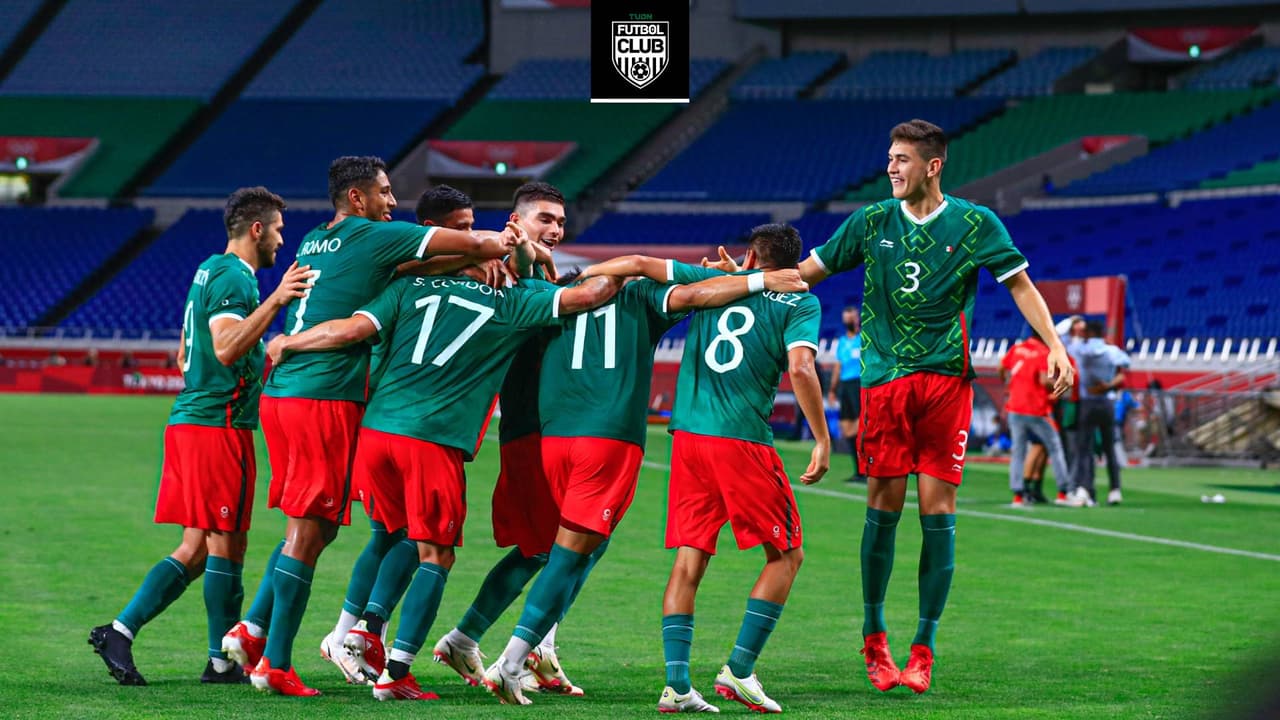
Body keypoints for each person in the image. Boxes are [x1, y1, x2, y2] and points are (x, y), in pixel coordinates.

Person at [707, 120, 1073, 694]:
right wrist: (752, 278)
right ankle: (874, 636)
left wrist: (1055, 344)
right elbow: (807, 274)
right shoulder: (871, 221)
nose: (891, 168)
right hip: (884, 384)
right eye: (889, 158)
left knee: (938, 512)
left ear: (933, 165)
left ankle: (923, 646)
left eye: (902, 159)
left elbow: (1020, 284)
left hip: (947, 384)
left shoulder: (976, 223)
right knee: (884, 508)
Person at [265, 229, 624, 701]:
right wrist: (627, 269)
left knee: (392, 535)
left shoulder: (406, 287)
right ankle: (397, 673)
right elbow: (590, 296)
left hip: (376, 436)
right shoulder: (511, 301)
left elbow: (348, 330)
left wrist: (290, 342)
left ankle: (362, 628)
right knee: (436, 555)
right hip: (432, 440)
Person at [221, 156, 517, 697]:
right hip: (326, 395)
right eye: (384, 192)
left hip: (286, 394)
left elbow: (401, 274)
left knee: (314, 527)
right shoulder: (375, 236)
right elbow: (483, 243)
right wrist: (502, 246)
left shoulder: (316, 239)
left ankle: (256, 631)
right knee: (323, 531)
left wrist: (470, 262)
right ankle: (277, 661)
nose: (392, 202)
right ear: (357, 198)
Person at [479, 240, 813, 707]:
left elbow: (527, 277)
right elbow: (690, 294)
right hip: (609, 439)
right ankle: (512, 661)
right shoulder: (639, 296)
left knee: (574, 552)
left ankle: (669, 684)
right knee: (569, 557)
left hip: (552, 441)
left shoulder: (557, 293)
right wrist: (753, 279)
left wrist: (523, 256)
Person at [89, 187, 311, 686]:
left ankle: (120, 632)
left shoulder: (208, 269)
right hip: (217, 427)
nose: (282, 239)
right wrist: (277, 301)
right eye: (278, 229)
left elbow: (185, 353)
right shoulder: (235, 276)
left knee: (196, 548)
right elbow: (226, 347)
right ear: (257, 229)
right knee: (228, 545)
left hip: (194, 420)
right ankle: (221, 662)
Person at [651, 222, 827, 714]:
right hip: (741, 439)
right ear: (793, 264)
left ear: (751, 258)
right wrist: (822, 437)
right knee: (786, 555)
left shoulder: (716, 288)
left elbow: (652, 272)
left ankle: (677, 686)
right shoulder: (800, 302)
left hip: (688, 438)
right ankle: (739, 670)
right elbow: (801, 367)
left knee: (690, 558)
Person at [317, 183, 484, 684]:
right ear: (432, 232)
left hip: (391, 418)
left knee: (393, 535)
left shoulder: (423, 271)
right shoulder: (405, 271)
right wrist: (476, 259)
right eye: (461, 230)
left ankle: (352, 634)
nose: (471, 238)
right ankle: (355, 634)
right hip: (396, 414)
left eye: (473, 229)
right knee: (411, 536)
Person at [433, 182, 589, 695]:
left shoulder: (532, 269)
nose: (556, 229)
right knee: (563, 544)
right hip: (531, 430)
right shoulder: (502, 266)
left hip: (545, 429)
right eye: (546, 219)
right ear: (516, 222)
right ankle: (516, 644)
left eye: (560, 222)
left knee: (551, 547)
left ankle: (491, 640)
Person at [999, 332, 1080, 508]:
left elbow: (1002, 367)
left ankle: (1018, 496)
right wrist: (1061, 384)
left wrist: (1009, 383)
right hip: (1037, 408)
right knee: (1055, 448)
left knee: (1018, 452)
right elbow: (1044, 379)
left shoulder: (1017, 348)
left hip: (1015, 407)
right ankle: (1063, 492)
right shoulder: (1043, 352)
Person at [1070, 320, 1130, 506]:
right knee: (1109, 447)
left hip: (1087, 401)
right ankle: (1115, 490)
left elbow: (1064, 342)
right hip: (1106, 401)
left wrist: (1077, 332)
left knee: (1084, 448)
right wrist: (1109, 384)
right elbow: (1126, 363)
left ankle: (1084, 488)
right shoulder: (1110, 350)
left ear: (1087, 333)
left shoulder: (1080, 349)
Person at [828, 306, 865, 483]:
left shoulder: (863, 339)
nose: (848, 321)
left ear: (857, 318)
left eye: (851, 318)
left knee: (861, 427)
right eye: (845, 318)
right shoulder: (842, 341)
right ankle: (858, 471)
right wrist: (832, 390)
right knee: (847, 428)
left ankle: (867, 469)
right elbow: (838, 366)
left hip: (860, 384)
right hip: (846, 386)